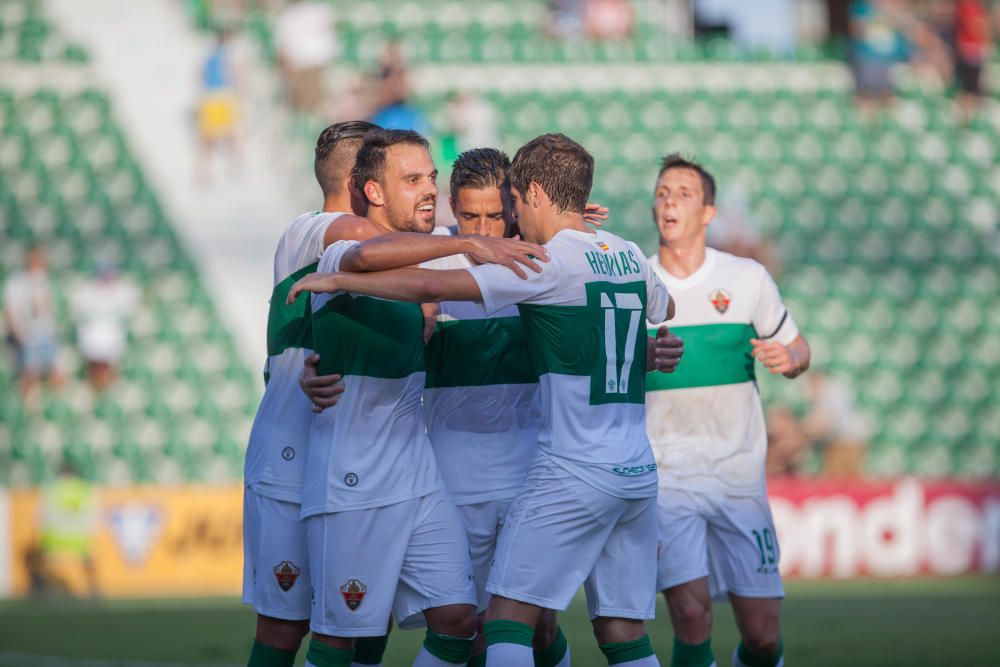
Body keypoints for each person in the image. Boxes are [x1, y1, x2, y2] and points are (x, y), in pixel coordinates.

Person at [288, 133, 684, 667]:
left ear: (523, 203)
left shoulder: (534, 263)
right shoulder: (448, 256)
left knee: (527, 626)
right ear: (454, 209)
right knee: (484, 627)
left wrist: (336, 279)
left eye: (501, 211)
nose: (482, 229)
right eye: (468, 217)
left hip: (545, 467)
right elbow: (650, 307)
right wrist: (315, 363)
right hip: (463, 475)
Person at [298, 128, 544, 667]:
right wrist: (306, 372)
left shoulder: (460, 257)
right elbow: (363, 260)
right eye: (413, 180)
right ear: (375, 192)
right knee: (344, 635)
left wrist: (561, 222)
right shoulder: (346, 249)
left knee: (463, 623)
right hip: (355, 476)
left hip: (421, 472)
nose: (428, 189)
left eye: (431, 177)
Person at [643, 155, 810, 667]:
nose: (670, 200)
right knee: (692, 619)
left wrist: (790, 360)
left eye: (684, 193)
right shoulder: (635, 284)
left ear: (709, 212)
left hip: (739, 478)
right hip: (668, 479)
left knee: (762, 637)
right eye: (663, 192)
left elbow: (799, 347)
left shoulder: (746, 279)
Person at [242, 120, 377, 667]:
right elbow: (371, 243)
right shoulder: (315, 228)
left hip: (337, 455)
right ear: (360, 180)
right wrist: (480, 242)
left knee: (360, 613)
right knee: (284, 624)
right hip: (288, 460)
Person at [3, 245, 63, 402]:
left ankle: (54, 405)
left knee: (55, 369)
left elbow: (45, 308)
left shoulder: (43, 280)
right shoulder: (15, 282)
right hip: (24, 333)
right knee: (29, 371)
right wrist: (18, 334)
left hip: (43, 332)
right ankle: (28, 405)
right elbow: (11, 311)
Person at [70, 262, 138, 393]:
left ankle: (106, 386)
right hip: (92, 338)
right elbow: (77, 313)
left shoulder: (123, 291)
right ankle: (96, 384)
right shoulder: (85, 291)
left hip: (112, 338)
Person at [802, 371, 870, 479]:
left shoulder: (829, 393)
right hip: (844, 437)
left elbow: (827, 421)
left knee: (843, 476)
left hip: (847, 438)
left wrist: (808, 432)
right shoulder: (832, 390)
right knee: (841, 475)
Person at [196, 28, 241, 185]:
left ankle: (205, 172)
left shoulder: (208, 53)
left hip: (210, 96)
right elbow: (234, 73)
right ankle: (234, 164)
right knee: (228, 133)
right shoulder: (228, 53)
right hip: (222, 96)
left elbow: (201, 75)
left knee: (210, 137)